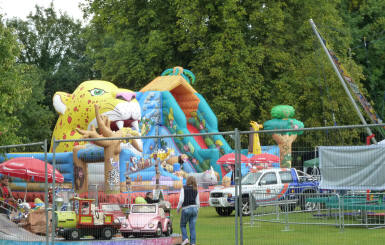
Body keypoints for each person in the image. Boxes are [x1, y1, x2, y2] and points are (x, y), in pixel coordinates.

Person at [177, 176, 200, 245]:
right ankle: (193, 243)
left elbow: (181, 200)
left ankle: (185, 238)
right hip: (194, 208)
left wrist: (178, 208)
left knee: (182, 225)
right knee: (192, 227)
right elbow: (198, 202)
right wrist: (197, 210)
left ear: (187, 181)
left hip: (186, 208)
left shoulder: (183, 188)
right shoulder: (196, 189)